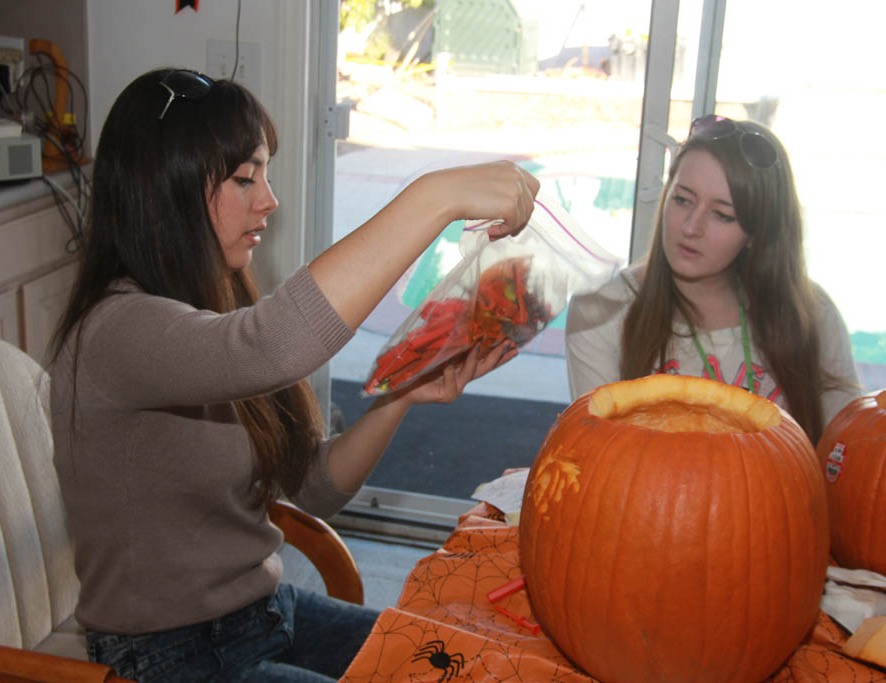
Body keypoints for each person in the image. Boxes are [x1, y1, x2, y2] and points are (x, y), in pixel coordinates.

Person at [48, 68, 539, 682]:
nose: (268, 199)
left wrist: (398, 397)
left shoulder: (206, 315)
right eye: (244, 177)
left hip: (263, 614)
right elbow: (276, 344)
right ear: (164, 189)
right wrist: (436, 196)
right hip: (167, 659)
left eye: (265, 174)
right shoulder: (115, 331)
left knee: (464, 668)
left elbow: (312, 488)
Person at [565, 115, 860, 444]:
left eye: (722, 215)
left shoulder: (812, 314)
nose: (691, 227)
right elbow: (598, 464)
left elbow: (846, 460)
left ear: (756, 234)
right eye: (682, 200)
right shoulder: (600, 313)